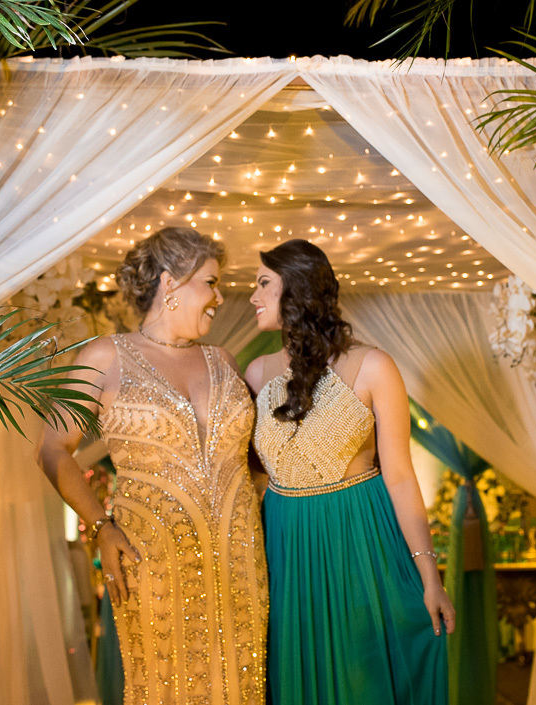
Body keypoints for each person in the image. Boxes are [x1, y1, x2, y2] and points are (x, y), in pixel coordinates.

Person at [36, 226, 267, 705]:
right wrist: (101, 524)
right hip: (154, 557)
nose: (220, 297)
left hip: (240, 554)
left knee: (243, 684)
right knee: (165, 684)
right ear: (170, 283)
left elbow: (254, 459)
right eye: (210, 282)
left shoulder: (223, 360)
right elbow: (51, 449)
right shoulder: (104, 357)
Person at [245, 239, 453, 705]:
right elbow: (251, 476)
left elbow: (399, 476)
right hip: (284, 549)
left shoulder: (374, 366)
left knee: (364, 681)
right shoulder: (256, 374)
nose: (252, 297)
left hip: (358, 544)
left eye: (263, 284)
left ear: (297, 290)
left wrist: (430, 578)